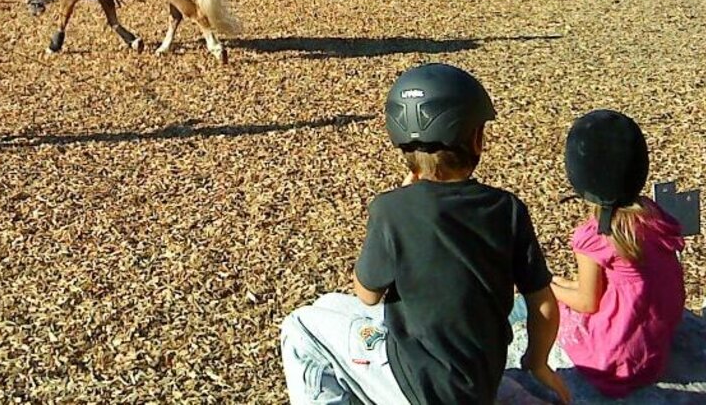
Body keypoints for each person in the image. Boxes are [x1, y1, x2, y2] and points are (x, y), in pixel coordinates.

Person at [280, 62, 568, 405]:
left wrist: (401, 203)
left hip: (416, 388)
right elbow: (543, 304)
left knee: (301, 326)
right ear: (477, 139)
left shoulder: (391, 210)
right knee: (329, 305)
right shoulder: (507, 209)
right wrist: (537, 365)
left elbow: (367, 295)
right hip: (480, 381)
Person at [550, 109, 686, 397]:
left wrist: (547, 285)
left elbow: (587, 302)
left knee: (552, 301)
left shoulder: (595, 237)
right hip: (652, 354)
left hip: (613, 364)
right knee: (563, 286)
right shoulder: (654, 218)